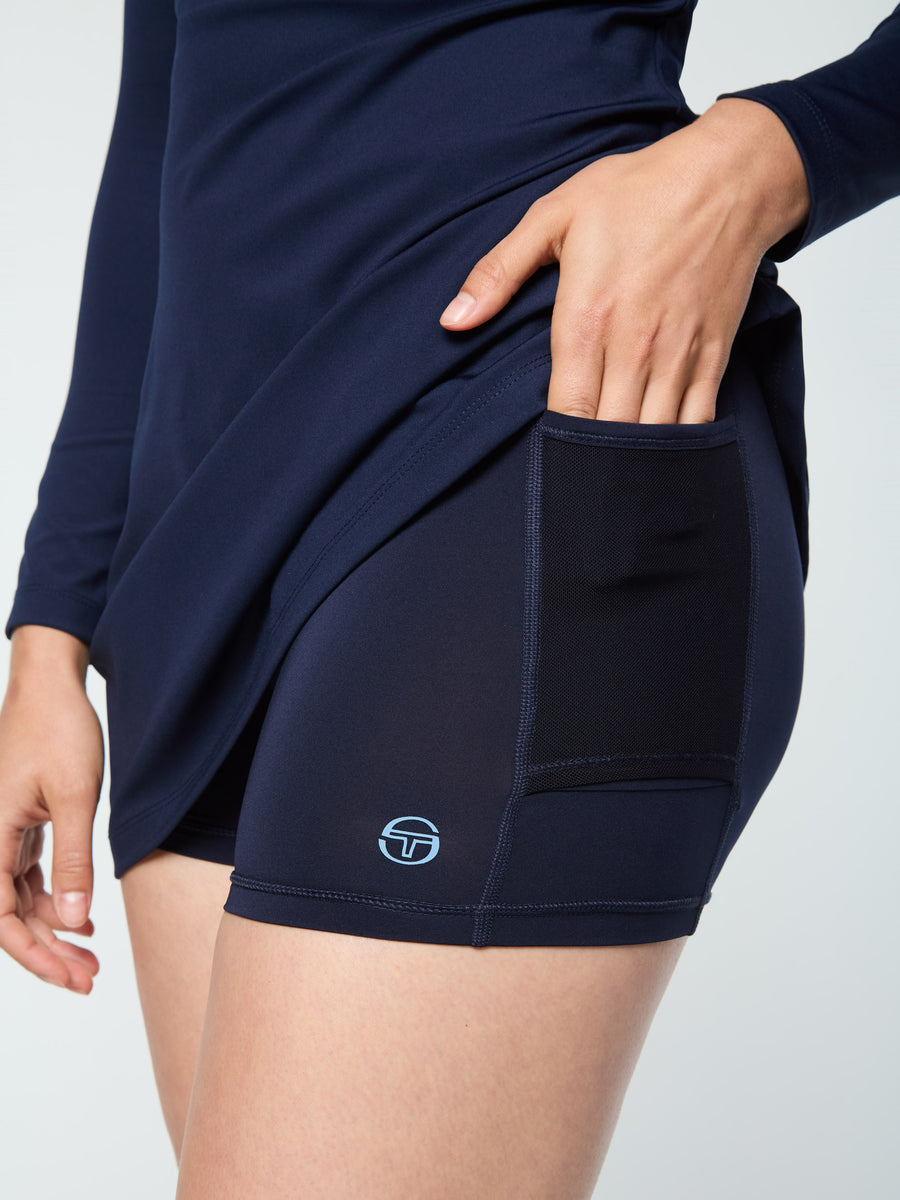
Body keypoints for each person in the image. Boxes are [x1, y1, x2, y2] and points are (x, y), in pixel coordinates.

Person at [1, 1, 898, 1194]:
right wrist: (50, 633)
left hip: (526, 423)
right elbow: (155, 147)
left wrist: (779, 151)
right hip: (203, 556)